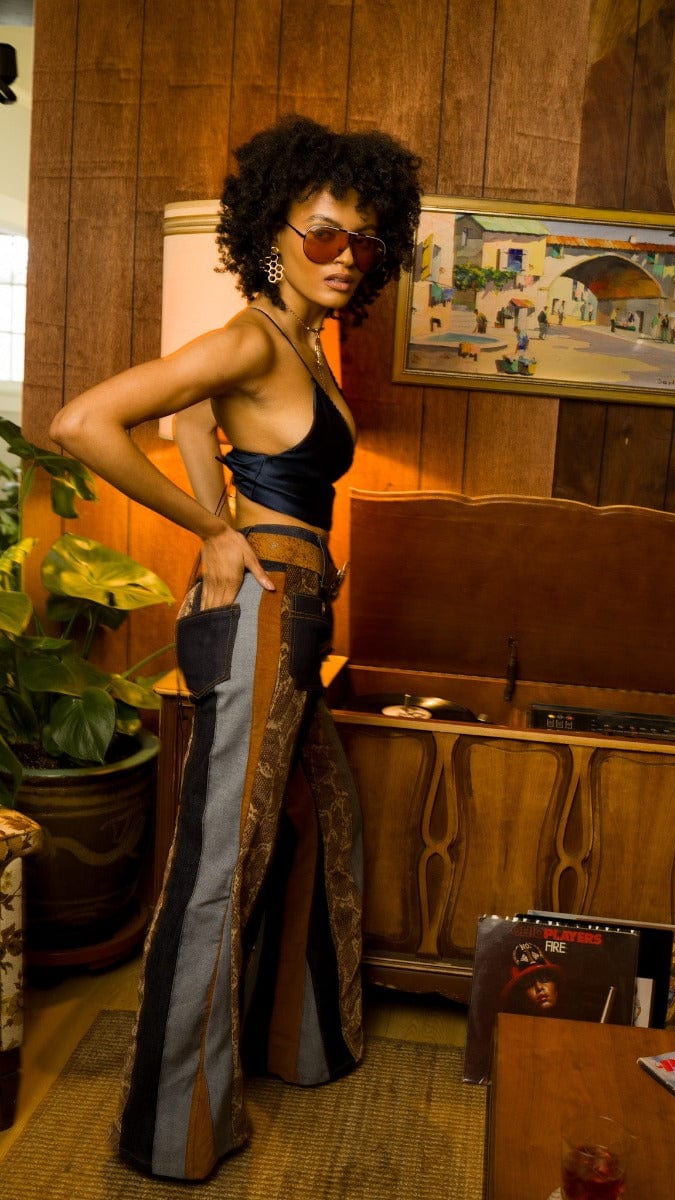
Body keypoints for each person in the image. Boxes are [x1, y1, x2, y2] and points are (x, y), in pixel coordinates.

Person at [49, 114, 422, 1182]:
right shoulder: (253, 338)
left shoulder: (302, 342)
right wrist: (211, 532)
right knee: (224, 863)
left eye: (363, 242)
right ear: (271, 232)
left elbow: (187, 422)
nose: (345, 258)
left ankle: (294, 1046)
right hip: (262, 613)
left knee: (319, 824)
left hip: (295, 611)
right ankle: (173, 1131)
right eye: (323, 235)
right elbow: (84, 423)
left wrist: (218, 510)